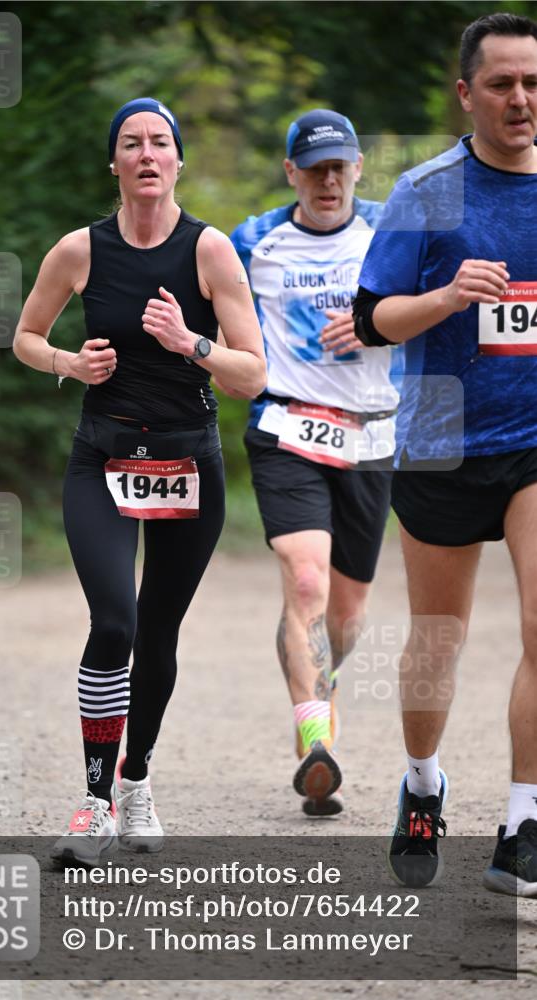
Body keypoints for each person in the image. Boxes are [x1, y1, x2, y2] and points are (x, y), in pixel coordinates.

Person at [13, 97, 266, 864]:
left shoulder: (210, 252)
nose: (147, 154)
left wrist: (189, 342)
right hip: (105, 456)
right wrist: (67, 363)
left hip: (188, 460)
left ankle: (137, 779)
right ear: (115, 162)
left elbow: (251, 375)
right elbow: (24, 336)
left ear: (178, 160)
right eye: (132, 143)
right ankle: (91, 803)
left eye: (161, 142)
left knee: (157, 634)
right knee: (114, 622)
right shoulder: (77, 251)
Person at [353, 13, 537, 895]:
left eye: (532, 83)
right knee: (436, 642)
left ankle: (523, 820)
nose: (520, 99)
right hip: (439, 441)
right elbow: (367, 320)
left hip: (532, 443)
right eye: (501, 83)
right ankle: (422, 784)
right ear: (466, 93)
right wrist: (444, 296)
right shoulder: (425, 192)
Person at [226, 110, 401, 817]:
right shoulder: (250, 241)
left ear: (357, 167)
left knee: (345, 615)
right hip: (286, 426)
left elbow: (432, 309)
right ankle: (314, 743)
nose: (328, 179)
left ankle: (314, 701)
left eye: (340, 165)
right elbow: (220, 319)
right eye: (315, 166)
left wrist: (375, 319)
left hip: (371, 437)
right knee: (305, 582)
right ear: (290, 170)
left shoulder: (392, 232)